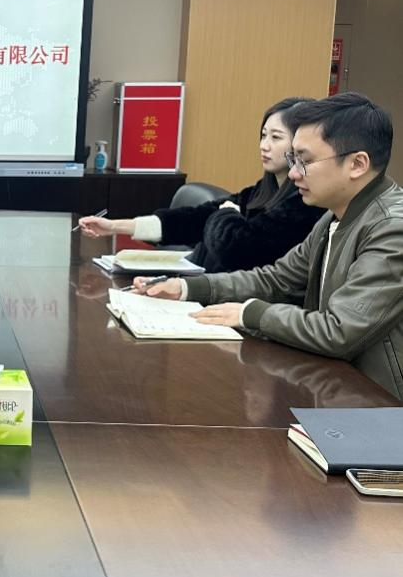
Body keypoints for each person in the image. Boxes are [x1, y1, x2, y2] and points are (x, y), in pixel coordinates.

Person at [138, 93, 403, 399]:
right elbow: (276, 279)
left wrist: (249, 313)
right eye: (293, 160)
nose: (293, 173)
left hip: (379, 403)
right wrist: (188, 288)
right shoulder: (334, 216)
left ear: (357, 164)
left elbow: (340, 330)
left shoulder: (391, 228)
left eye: (305, 161)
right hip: (333, 386)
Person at [79, 97, 323, 272]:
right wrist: (115, 226)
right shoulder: (263, 190)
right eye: (263, 135)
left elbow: (239, 251)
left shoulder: (305, 204)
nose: (264, 145)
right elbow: (195, 219)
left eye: (275, 137)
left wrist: (226, 215)